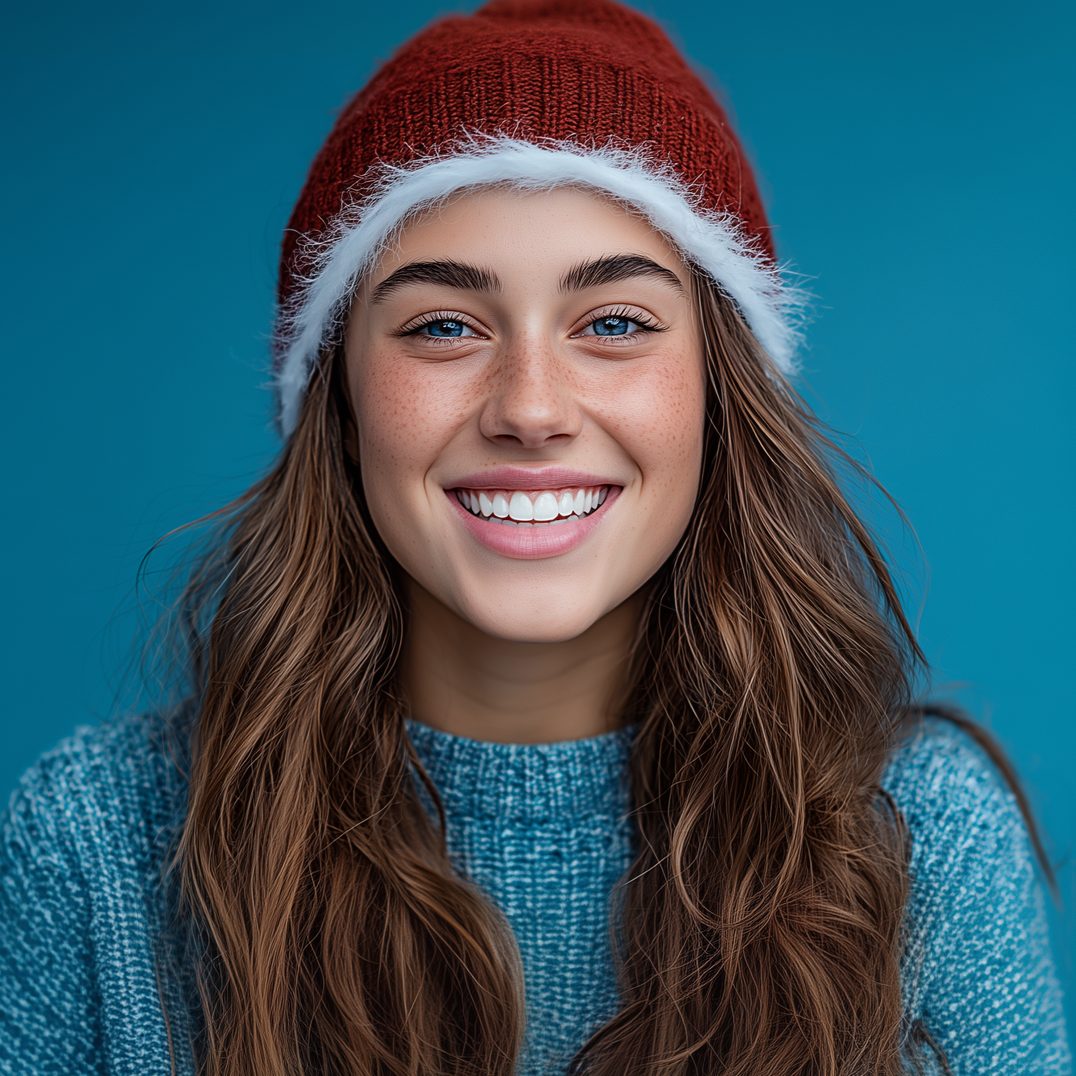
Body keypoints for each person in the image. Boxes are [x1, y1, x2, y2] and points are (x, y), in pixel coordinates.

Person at [0, 1, 1070, 1073]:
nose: (530, 406)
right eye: (442, 326)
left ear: (716, 391)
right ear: (338, 398)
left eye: (612, 322)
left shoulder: (922, 836)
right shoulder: (97, 847)